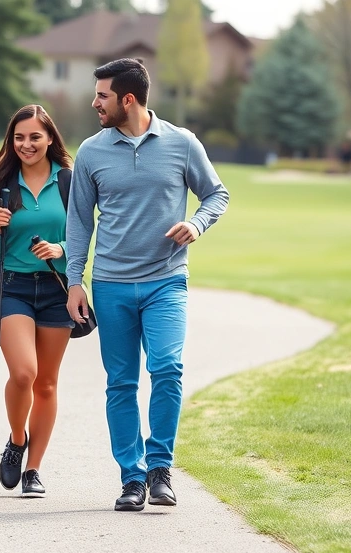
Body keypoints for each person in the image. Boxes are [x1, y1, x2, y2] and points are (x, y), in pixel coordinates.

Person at [65, 59, 229, 512]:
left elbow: (217, 194)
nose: (95, 102)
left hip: (166, 281)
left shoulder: (182, 143)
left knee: (167, 368)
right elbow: (78, 222)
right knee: (120, 383)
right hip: (112, 284)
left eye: (102, 95)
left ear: (128, 99)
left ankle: (160, 469)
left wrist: (197, 224)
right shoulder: (91, 152)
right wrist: (73, 281)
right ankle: (132, 478)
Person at [0, 105, 73, 498]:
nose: (27, 144)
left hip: (57, 289)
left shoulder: (71, 182)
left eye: (35, 136)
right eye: (19, 137)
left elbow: (91, 239)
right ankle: (17, 440)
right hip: (12, 286)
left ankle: (34, 469)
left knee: (47, 384)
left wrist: (62, 249)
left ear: (50, 138)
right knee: (24, 373)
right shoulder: (2, 184)